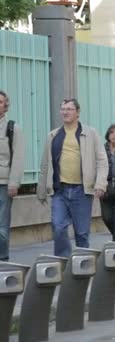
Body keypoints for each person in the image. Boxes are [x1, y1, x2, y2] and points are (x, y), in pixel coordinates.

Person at [37, 99, 108, 257]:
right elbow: (45, 164)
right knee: (58, 227)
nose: (65, 112)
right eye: (63, 109)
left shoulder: (90, 134)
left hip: (81, 191)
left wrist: (100, 184)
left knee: (82, 233)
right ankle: (63, 262)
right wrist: (41, 189)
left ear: (77, 112)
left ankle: (84, 264)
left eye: (69, 109)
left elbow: (102, 161)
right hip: (60, 190)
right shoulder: (53, 135)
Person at [0, 91, 24, 261]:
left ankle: (2, 258)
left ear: (5, 106)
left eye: (0, 102)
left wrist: (14, 183)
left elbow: (18, 157)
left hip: (3, 183)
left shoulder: (12, 128)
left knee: (1, 225)